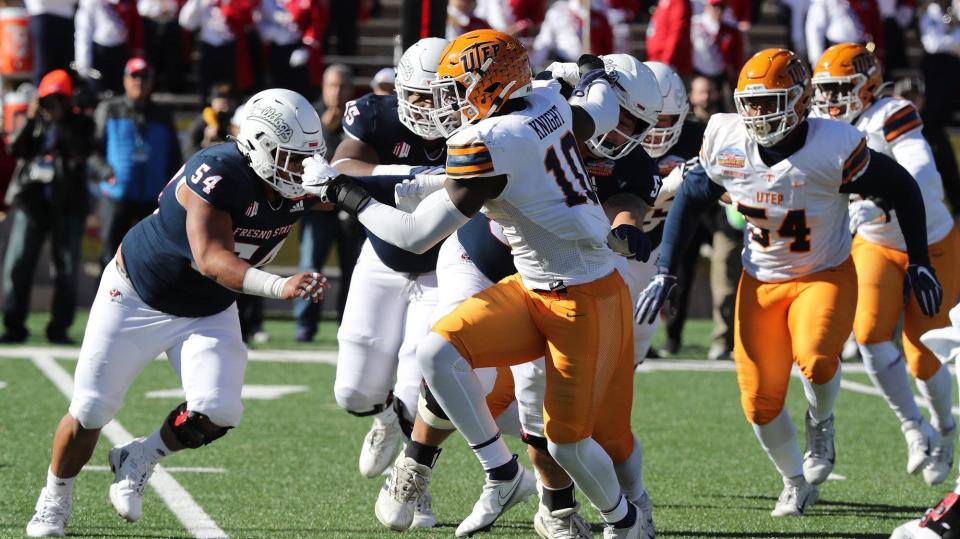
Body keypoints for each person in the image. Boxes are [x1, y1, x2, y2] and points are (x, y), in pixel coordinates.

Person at [306, 29, 653, 537]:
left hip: (583, 298)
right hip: (533, 287)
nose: (449, 101)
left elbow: (416, 235)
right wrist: (595, 71)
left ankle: (624, 523)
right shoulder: (544, 102)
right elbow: (597, 106)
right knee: (437, 352)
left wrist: (344, 193)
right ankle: (500, 471)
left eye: (458, 88)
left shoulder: (495, 140)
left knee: (567, 444)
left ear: (492, 86)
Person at [636, 48, 942, 517]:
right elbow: (692, 197)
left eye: (770, 101)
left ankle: (821, 422)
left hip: (824, 273)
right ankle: (794, 481)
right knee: (759, 403)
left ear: (800, 101)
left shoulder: (833, 143)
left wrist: (918, 258)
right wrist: (665, 270)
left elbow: (902, 184)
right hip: (760, 280)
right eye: (751, 102)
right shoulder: (725, 137)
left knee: (818, 359)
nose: (758, 112)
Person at [24, 88, 330, 538]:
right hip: (136, 296)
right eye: (290, 157)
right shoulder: (219, 170)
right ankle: (55, 494)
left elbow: (362, 182)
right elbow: (211, 258)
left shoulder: (302, 180)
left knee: (220, 409)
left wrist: (429, 181)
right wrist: (279, 284)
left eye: (308, 157)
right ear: (260, 145)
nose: (302, 170)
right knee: (91, 409)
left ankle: (141, 455)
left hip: (206, 309)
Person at [812, 43, 960, 485]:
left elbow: (925, 177)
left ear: (869, 86)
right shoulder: (820, 128)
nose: (831, 100)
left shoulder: (891, 113)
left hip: (929, 242)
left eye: (842, 89)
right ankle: (914, 427)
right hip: (874, 243)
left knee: (925, 353)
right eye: (825, 90)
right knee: (871, 334)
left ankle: (947, 432)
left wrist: (884, 202)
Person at [324, 38, 450, 528]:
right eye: (415, 95)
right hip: (381, 256)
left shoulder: (476, 120)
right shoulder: (376, 113)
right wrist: (415, 174)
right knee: (352, 391)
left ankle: (414, 481)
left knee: (420, 379)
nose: (425, 106)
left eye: (435, 94)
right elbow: (343, 167)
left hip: (444, 264)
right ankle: (382, 418)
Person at [1, 70, 96, 345]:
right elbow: (15, 149)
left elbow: (81, 152)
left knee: (66, 269)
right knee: (18, 264)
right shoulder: (34, 122)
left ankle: (59, 328)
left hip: (68, 206)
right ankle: (14, 324)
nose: (52, 106)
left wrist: (62, 123)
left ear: (68, 100)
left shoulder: (81, 124)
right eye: (48, 100)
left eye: (58, 100)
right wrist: (31, 119)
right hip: (32, 204)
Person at [91, 57, 181, 269]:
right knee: (110, 260)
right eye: (134, 75)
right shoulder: (109, 109)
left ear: (152, 81)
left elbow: (174, 157)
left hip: (151, 201)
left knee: (150, 262)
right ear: (125, 79)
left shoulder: (162, 115)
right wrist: (106, 173)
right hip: (116, 197)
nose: (139, 81)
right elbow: (92, 151)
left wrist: (167, 189)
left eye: (144, 76)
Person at [295, 63, 361, 339]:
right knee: (311, 265)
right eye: (332, 85)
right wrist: (323, 129)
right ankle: (304, 327)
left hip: (350, 207)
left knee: (353, 270)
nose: (337, 92)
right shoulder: (309, 115)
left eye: (342, 86)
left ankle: (346, 327)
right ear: (323, 87)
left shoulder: (360, 116)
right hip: (318, 208)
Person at [74, 0, 143, 95]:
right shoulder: (90, 2)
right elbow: (83, 31)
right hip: (99, 53)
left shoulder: (129, 3)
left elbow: (135, 27)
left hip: (121, 51)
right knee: (99, 93)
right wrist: (83, 62)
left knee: (120, 93)